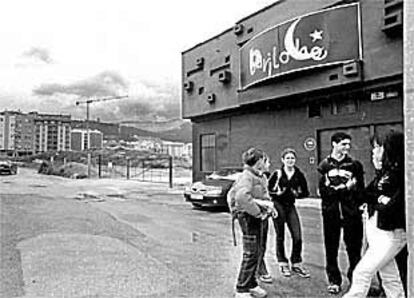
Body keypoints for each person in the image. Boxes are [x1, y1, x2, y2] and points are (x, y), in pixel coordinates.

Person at [343, 130, 406, 298]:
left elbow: (395, 205)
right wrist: (355, 185)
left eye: (378, 147)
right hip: (378, 231)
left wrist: (380, 201)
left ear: (390, 148)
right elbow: (365, 196)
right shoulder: (384, 174)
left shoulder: (402, 175)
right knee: (390, 277)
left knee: (362, 273)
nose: (374, 151)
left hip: (391, 233)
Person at [318, 132, 365, 294]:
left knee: (354, 249)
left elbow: (360, 190)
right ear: (334, 144)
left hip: (351, 214)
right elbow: (323, 191)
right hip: (331, 214)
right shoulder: (324, 166)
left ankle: (356, 281)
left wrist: (356, 203)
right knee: (331, 248)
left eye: (348, 144)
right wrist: (345, 188)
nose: (347, 147)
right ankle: (334, 280)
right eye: (344, 144)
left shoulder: (354, 165)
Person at [228, 147, 278, 298]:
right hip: (249, 218)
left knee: (257, 252)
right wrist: (258, 213)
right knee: (251, 253)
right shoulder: (247, 176)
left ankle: (252, 284)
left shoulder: (259, 176)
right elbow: (242, 197)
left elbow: (263, 195)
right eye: (265, 160)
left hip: (256, 217)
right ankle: (241, 289)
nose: (267, 163)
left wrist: (268, 207)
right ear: (259, 162)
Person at [267, 148, 310, 278]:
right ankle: (283, 262)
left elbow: (305, 192)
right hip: (278, 205)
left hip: (290, 206)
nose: (290, 160)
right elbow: (268, 191)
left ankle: (296, 262)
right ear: (283, 160)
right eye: (288, 158)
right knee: (280, 235)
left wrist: (298, 194)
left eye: (292, 158)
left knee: (297, 236)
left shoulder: (298, 174)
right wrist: (277, 193)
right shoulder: (277, 173)